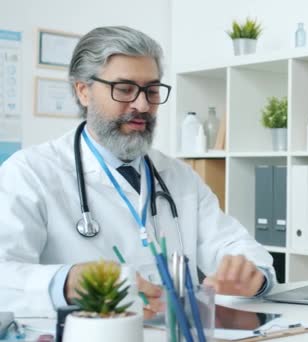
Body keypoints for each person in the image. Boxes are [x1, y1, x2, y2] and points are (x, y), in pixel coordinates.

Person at [0, 26, 275, 318]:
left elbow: (234, 244)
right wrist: (68, 282)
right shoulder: (30, 173)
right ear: (83, 91)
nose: (142, 105)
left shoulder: (179, 176)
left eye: (152, 90)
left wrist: (251, 274)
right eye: (124, 89)